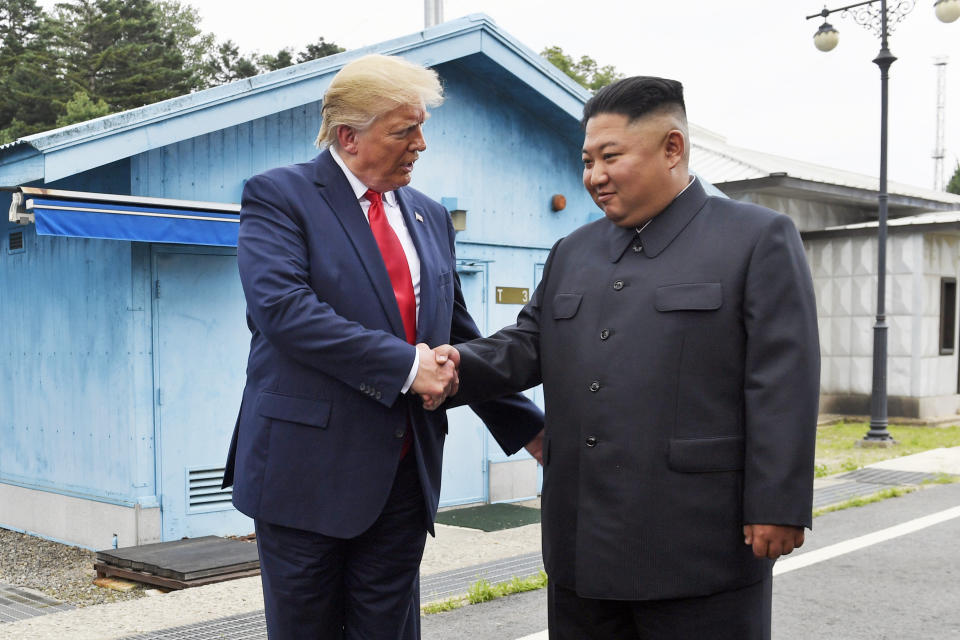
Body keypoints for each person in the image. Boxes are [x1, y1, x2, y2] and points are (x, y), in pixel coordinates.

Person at [433, 76, 819, 639]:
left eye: (610, 157)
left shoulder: (755, 238)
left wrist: (779, 503)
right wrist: (452, 367)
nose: (594, 176)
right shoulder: (574, 250)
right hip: (581, 543)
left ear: (672, 148)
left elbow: (783, 379)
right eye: (587, 160)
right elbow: (529, 342)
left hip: (698, 542)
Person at [221, 54, 544, 640]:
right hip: (305, 474)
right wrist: (405, 365)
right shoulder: (279, 196)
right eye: (404, 130)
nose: (420, 144)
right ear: (349, 135)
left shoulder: (429, 216)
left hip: (403, 472)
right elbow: (282, 311)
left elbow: (457, 338)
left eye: (421, 128)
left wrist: (527, 427)